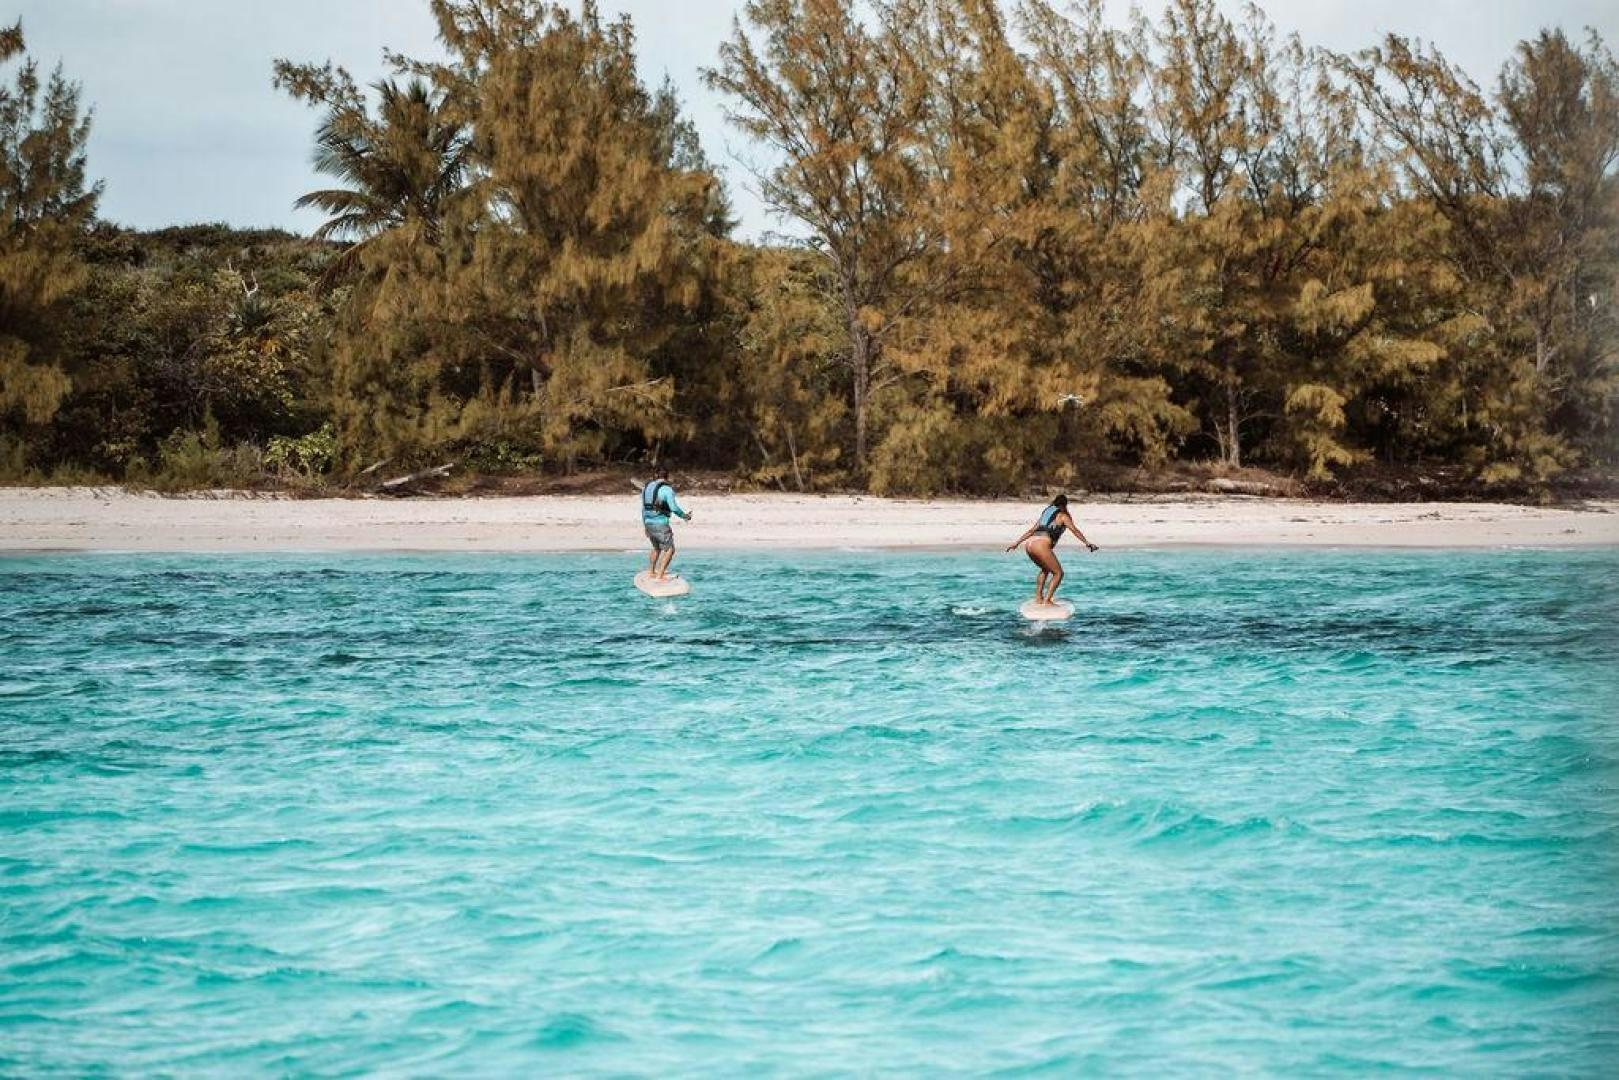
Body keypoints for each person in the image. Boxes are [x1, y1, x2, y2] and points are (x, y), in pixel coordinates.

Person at [1005, 493, 1098, 607]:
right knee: (1059, 573)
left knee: (1045, 569)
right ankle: (1047, 601)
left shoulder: (1046, 513)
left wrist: (1017, 543)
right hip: (1040, 545)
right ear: (1064, 505)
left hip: (1029, 544)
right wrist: (1087, 543)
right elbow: (1075, 530)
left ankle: (1039, 598)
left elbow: (1032, 530)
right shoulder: (1063, 516)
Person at [640, 474, 692, 580]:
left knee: (656, 548)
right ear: (667, 477)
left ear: (655, 476)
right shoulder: (667, 489)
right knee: (670, 550)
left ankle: (652, 572)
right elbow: (673, 507)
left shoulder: (646, 488)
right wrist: (685, 516)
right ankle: (660, 576)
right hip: (660, 524)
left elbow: (644, 508)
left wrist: (645, 525)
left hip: (648, 522)